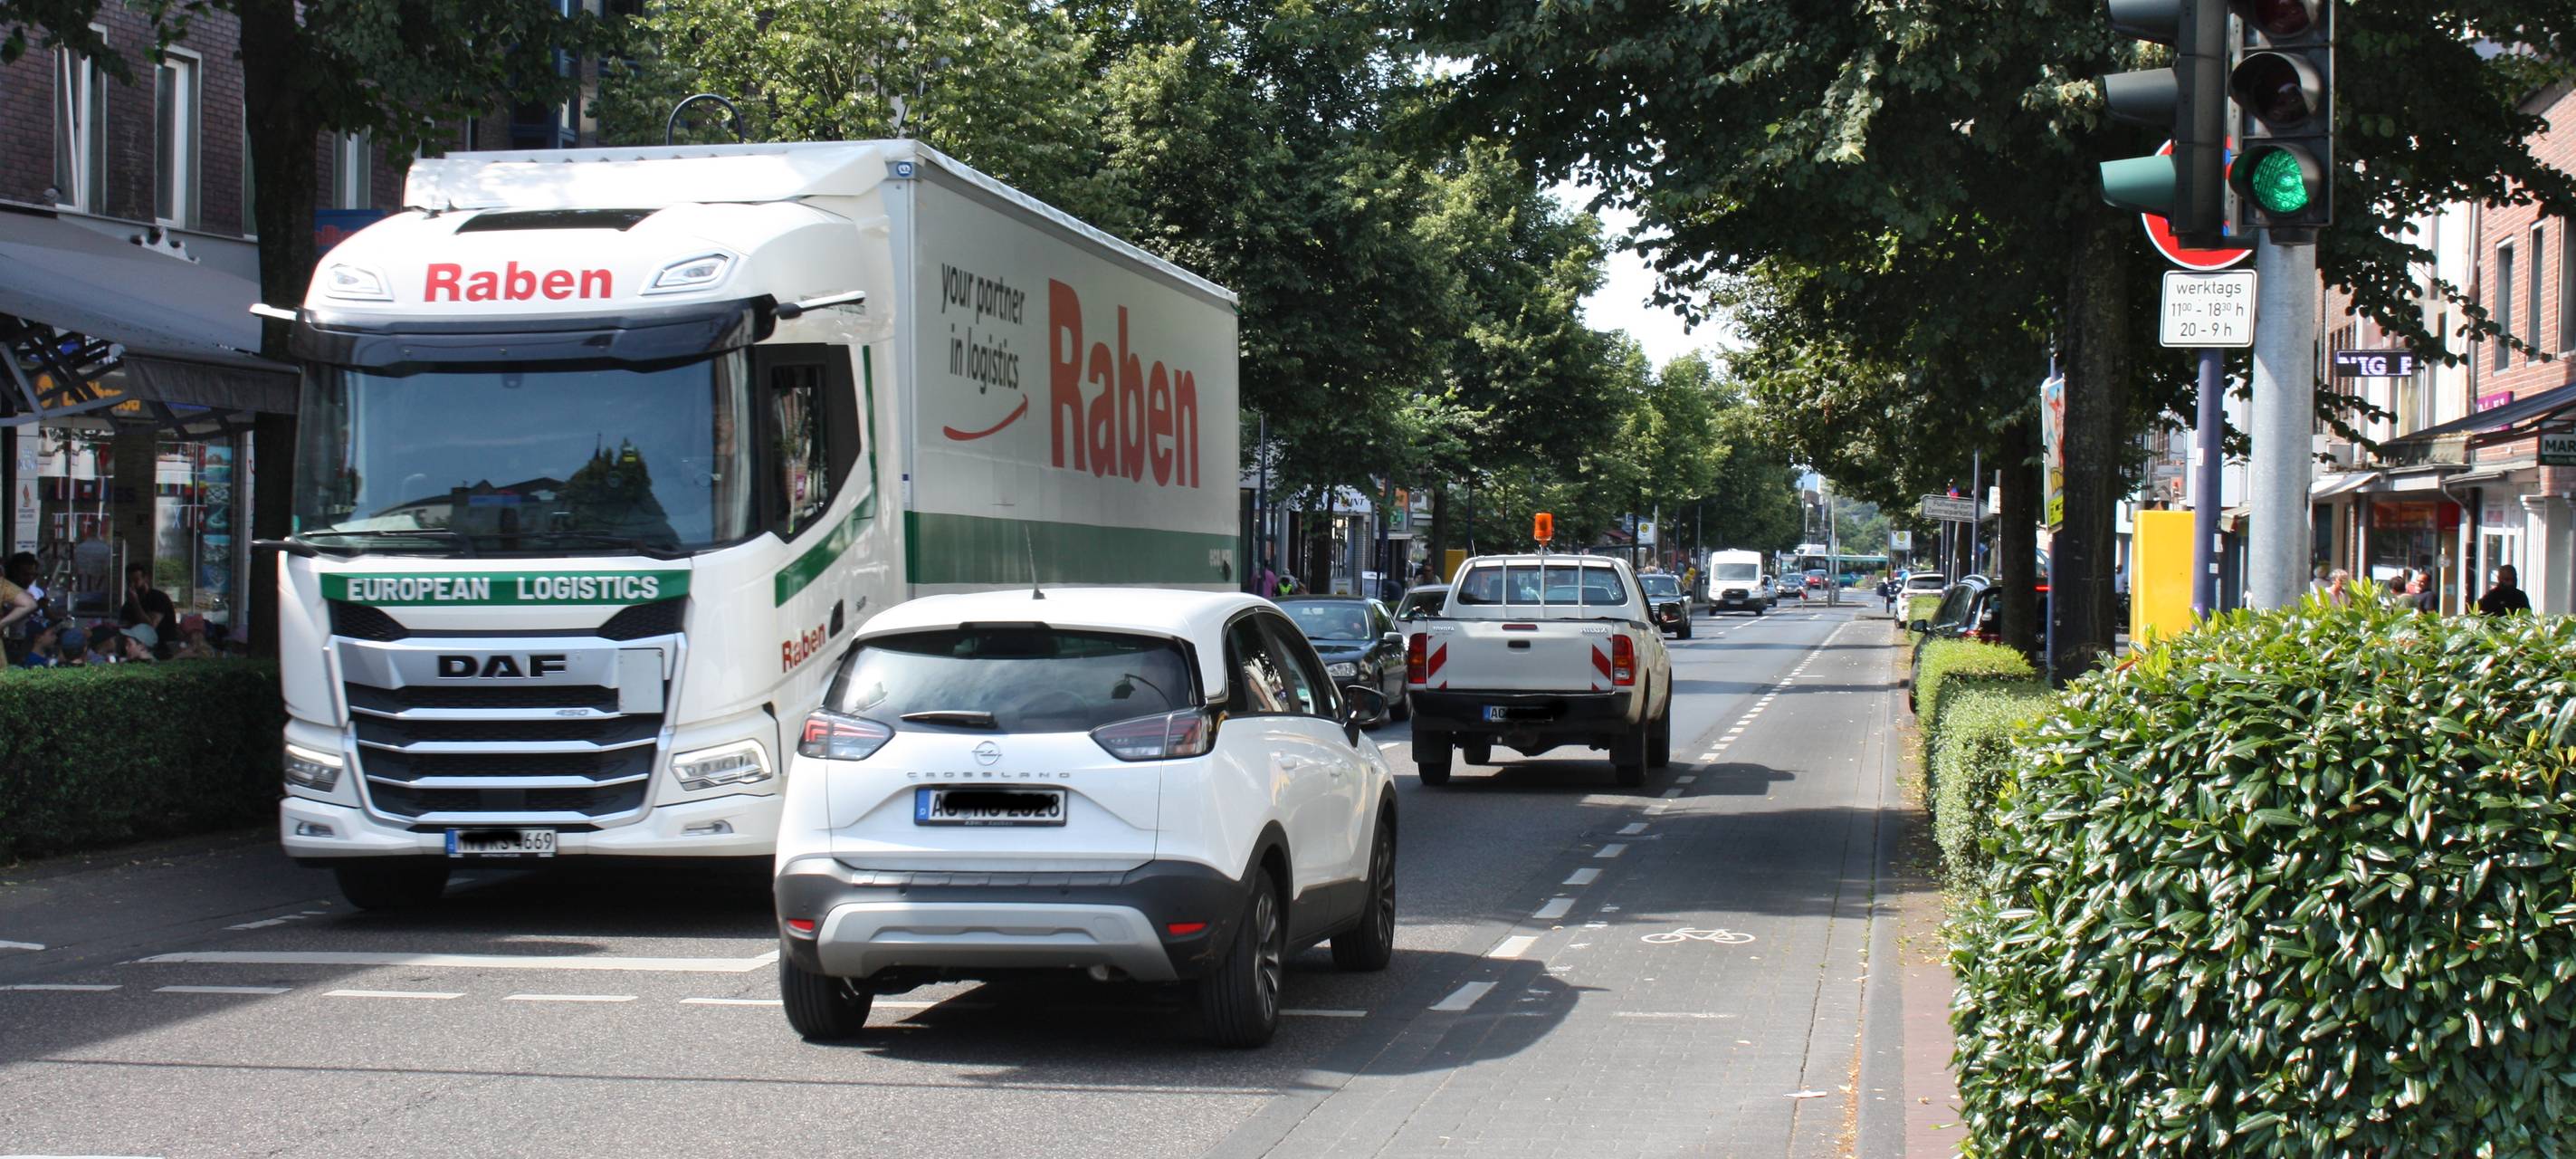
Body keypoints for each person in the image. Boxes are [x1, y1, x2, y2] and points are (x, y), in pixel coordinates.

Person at [120, 563, 177, 647]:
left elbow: (149, 627)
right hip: (136, 644)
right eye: (129, 581)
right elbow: (125, 623)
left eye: (136, 580)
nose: (132, 585)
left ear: (145, 579)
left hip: (161, 644)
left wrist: (136, 603)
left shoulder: (158, 598)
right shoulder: (129, 603)